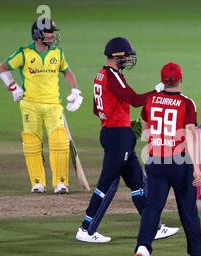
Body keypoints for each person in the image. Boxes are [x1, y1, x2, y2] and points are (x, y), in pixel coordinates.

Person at [75, 37, 178, 243]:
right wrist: (157, 91)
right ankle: (86, 229)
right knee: (105, 184)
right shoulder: (113, 76)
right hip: (118, 135)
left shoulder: (101, 76)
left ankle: (153, 227)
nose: (129, 59)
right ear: (116, 57)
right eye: (126, 55)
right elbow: (135, 100)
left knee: (137, 181)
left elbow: (98, 109)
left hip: (114, 132)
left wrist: (115, 120)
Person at [134, 62, 201, 256]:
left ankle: (143, 248)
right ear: (180, 78)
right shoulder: (187, 103)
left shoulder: (150, 100)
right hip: (179, 162)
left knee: (152, 208)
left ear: (162, 80)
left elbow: (145, 130)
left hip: (155, 161)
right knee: (188, 210)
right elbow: (191, 134)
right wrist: (196, 167)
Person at [0, 18, 83, 194]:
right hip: (30, 104)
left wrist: (75, 91)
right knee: (31, 143)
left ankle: (61, 183)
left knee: (59, 141)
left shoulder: (57, 53)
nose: (52, 35)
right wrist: (14, 88)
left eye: (53, 32)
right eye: (48, 32)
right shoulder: (24, 53)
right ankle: (37, 182)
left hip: (53, 104)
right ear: (37, 35)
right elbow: (3, 68)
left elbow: (67, 72)